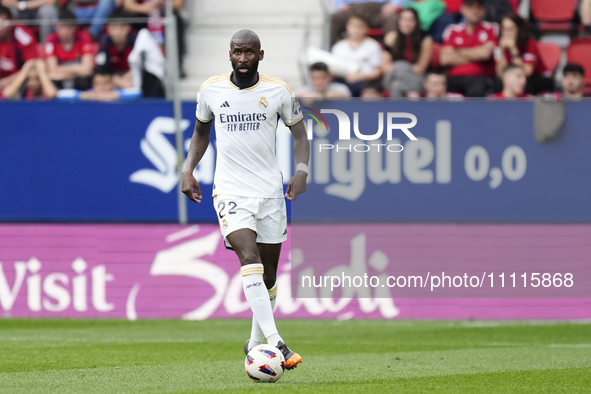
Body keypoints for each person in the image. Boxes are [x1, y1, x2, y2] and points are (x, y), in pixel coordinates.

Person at [181, 30, 309, 370]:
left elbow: (300, 134)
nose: (242, 58)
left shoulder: (278, 91)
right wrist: (188, 169)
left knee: (267, 275)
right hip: (230, 190)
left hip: (270, 192)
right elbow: (200, 133)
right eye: (237, 52)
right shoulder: (211, 89)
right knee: (248, 256)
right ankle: (277, 344)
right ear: (229, 53)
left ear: (260, 55)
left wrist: (302, 170)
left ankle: (253, 342)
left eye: (248, 53)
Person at [96, 9, 166, 96]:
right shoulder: (104, 43)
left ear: (128, 28)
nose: (117, 32)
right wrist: (119, 82)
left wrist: (128, 79)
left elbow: (144, 66)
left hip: (135, 79)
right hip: (115, 81)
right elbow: (101, 71)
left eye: (121, 28)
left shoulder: (138, 40)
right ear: (108, 29)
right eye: (113, 27)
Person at [440, 0, 498, 97]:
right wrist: (476, 55)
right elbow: (445, 59)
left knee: (477, 90)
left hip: (480, 78)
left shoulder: (492, 28)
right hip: (453, 78)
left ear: (484, 10)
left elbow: (485, 54)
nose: (475, 11)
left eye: (478, 7)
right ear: (463, 9)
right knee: (437, 86)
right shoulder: (452, 30)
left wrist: (459, 51)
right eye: (470, 7)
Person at [122, 0, 186, 77]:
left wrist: (161, 3)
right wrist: (144, 8)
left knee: (175, 20)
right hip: (143, 14)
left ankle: (176, 65)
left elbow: (178, 4)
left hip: (164, 12)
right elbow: (128, 5)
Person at [494, 13, 553, 95]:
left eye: (511, 29)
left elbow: (526, 72)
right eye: (504, 29)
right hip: (517, 77)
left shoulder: (530, 44)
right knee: (499, 85)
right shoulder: (499, 44)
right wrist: (502, 52)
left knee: (525, 84)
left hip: (538, 77)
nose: (507, 33)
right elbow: (500, 74)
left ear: (519, 30)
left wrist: (513, 49)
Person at [382, 8, 432, 97]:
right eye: (403, 19)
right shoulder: (391, 38)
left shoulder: (425, 40)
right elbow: (385, 66)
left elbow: (420, 68)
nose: (407, 23)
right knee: (397, 75)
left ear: (416, 22)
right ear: (399, 21)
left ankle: (398, 109)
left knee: (396, 85)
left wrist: (398, 66)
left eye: (410, 20)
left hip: (416, 78)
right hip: (392, 76)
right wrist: (404, 67)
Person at [331, 12, 383, 96]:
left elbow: (377, 72)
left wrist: (360, 76)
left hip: (365, 82)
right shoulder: (338, 47)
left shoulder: (373, 46)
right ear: (347, 27)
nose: (356, 29)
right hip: (342, 80)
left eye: (360, 26)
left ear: (366, 28)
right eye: (353, 26)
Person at [45, 8, 94, 90]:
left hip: (77, 80)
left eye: (69, 27)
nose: (65, 31)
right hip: (72, 75)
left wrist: (59, 73)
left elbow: (88, 68)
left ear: (75, 27)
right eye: (62, 27)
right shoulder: (51, 40)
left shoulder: (84, 37)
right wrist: (76, 69)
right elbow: (52, 69)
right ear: (57, 26)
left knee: (85, 81)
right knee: (51, 81)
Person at [330, 0, 408, 46]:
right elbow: (338, 2)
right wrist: (340, 5)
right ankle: (330, 56)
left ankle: (392, 56)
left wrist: (394, 4)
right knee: (334, 19)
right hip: (353, 9)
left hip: (381, 10)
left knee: (394, 19)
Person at [0, 5, 39, 90]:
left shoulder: (24, 37)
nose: (0, 28)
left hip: (21, 82)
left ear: (11, 22)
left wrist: (8, 80)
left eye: (2, 23)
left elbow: (32, 66)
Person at [56, 66, 141, 101]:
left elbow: (137, 92)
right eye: (98, 83)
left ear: (112, 84)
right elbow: (60, 94)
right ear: (93, 84)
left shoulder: (117, 92)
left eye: (105, 83)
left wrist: (114, 95)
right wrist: (82, 95)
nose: (102, 87)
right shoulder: (89, 93)